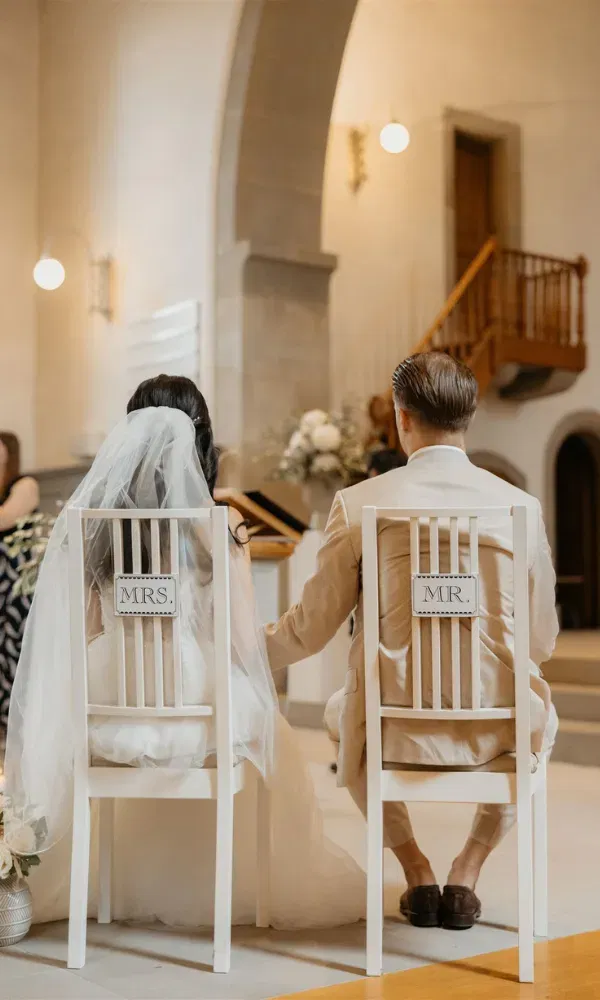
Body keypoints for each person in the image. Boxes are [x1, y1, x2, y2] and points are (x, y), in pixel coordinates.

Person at [3, 376, 364, 928]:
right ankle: (245, 886)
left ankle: (116, 881)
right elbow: (241, 641)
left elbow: (87, 631)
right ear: (200, 440)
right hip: (194, 701)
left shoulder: (96, 527)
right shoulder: (219, 523)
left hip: (111, 703)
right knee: (272, 734)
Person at [265, 351, 558, 931]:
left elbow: (310, 628)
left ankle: (416, 868)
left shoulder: (359, 504)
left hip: (389, 727)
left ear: (401, 418)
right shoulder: (521, 508)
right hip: (496, 731)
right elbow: (541, 638)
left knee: (339, 714)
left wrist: (242, 647)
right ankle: (468, 868)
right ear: (468, 417)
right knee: (539, 721)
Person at [0, 432, 39, 734]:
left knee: (15, 646)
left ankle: (18, 723)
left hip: (15, 581)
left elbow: (6, 519)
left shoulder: (25, 485)